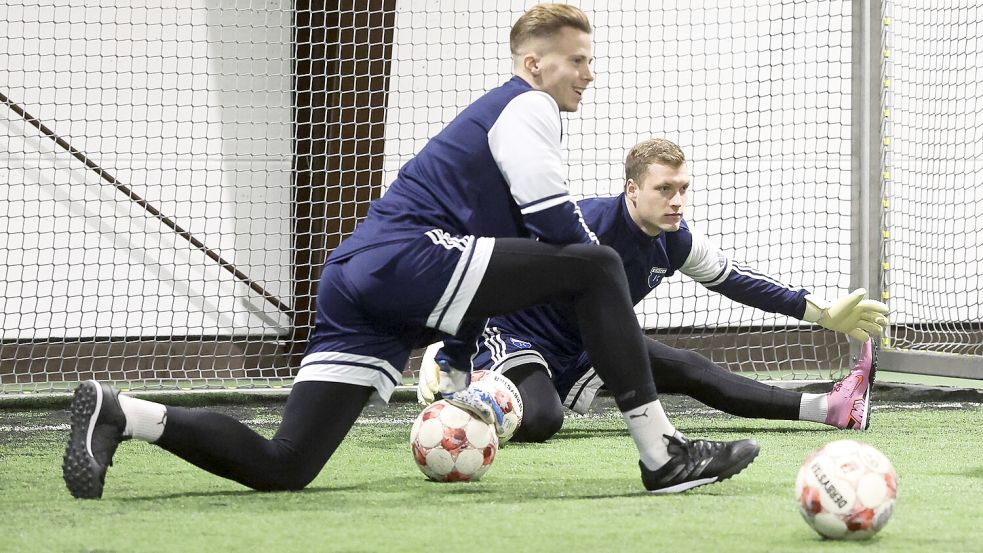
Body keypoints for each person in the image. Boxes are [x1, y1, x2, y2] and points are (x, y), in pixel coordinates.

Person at [62, 4, 759, 500]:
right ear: (533, 63)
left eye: (589, 60)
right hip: (407, 257)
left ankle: (127, 412)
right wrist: (595, 298)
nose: (588, 73)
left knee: (287, 463)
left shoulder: (523, 113)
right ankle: (661, 453)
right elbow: (557, 229)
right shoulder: (528, 105)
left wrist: (460, 351)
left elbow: (512, 263)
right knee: (598, 263)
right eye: (577, 60)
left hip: (358, 279)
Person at [419, 138, 889, 443]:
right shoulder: (578, 225)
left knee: (692, 367)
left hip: (584, 345)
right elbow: (484, 263)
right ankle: (465, 382)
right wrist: (446, 340)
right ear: (632, 190)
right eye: (665, 189)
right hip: (514, 338)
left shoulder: (675, 241)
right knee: (543, 420)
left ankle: (830, 407)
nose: (678, 200)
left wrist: (822, 314)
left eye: (683, 188)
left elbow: (740, 281)